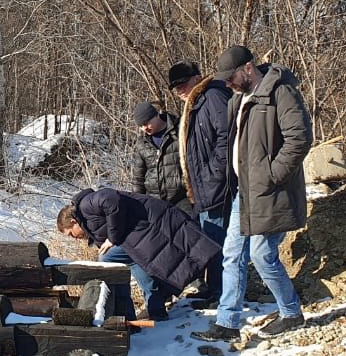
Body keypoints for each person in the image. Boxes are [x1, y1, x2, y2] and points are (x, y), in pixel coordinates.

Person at [193, 45, 313, 343]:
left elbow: (299, 138)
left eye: (230, 76)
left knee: (262, 255)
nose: (227, 83)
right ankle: (227, 322)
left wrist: (272, 175)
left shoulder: (280, 93)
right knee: (232, 254)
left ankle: (290, 312)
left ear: (248, 68)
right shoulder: (238, 100)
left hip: (271, 192)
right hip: (243, 193)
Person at [56, 187, 221, 321]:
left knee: (107, 260)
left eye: (71, 234)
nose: (75, 239)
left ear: (73, 222)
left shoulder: (86, 204)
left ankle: (126, 316)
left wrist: (112, 238)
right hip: (137, 237)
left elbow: (111, 200)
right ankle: (155, 311)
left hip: (150, 225)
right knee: (133, 263)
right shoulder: (88, 223)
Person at [168, 61, 232, 302]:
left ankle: (219, 291)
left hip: (215, 186)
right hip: (203, 188)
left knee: (217, 240)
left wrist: (214, 173)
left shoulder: (212, 97)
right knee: (210, 239)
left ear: (196, 78)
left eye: (182, 84)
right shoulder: (196, 104)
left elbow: (226, 136)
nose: (179, 90)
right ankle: (213, 287)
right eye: (174, 88)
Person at [130, 101, 190, 212]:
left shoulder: (180, 132)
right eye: (141, 126)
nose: (145, 128)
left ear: (157, 115)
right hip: (154, 202)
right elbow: (138, 178)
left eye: (147, 123)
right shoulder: (142, 143)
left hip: (182, 200)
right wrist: (136, 204)